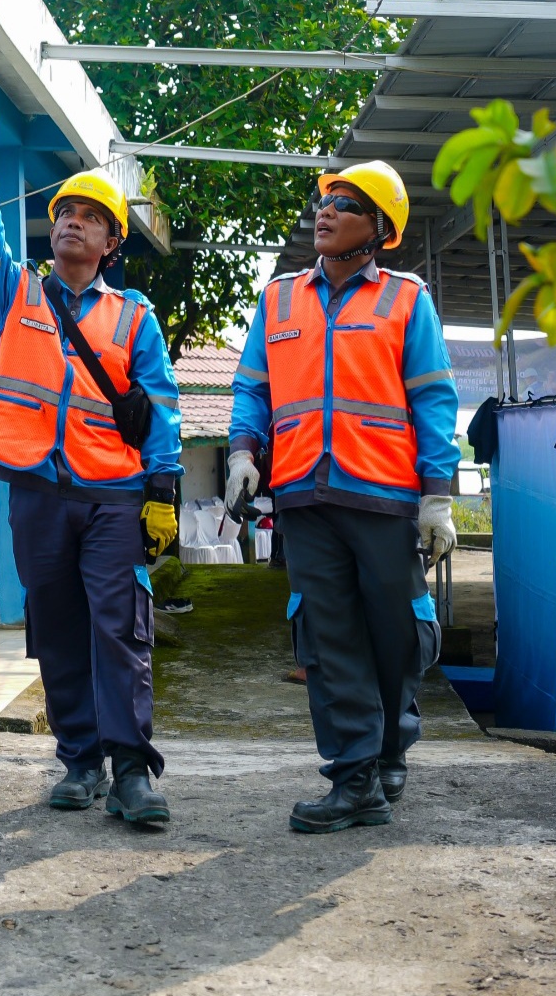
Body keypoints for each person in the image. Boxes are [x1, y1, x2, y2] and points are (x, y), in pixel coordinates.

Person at [0, 87, 183, 828]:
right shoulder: (16, 291)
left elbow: (161, 404)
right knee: (55, 627)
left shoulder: (133, 314)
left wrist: (163, 486)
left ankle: (131, 772)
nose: (70, 224)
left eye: (86, 217)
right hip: (37, 494)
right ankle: (79, 759)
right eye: (62, 215)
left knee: (120, 627)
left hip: (112, 496)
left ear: (112, 241)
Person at [226, 161, 459, 833]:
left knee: (395, 633)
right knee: (327, 638)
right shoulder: (278, 299)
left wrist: (437, 494)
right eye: (323, 200)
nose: (324, 212)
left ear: (379, 229)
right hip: (305, 495)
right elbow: (253, 389)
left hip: (384, 495)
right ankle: (355, 775)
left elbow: (434, 399)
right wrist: (244, 453)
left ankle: (390, 747)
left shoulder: (406, 299)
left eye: (345, 203)